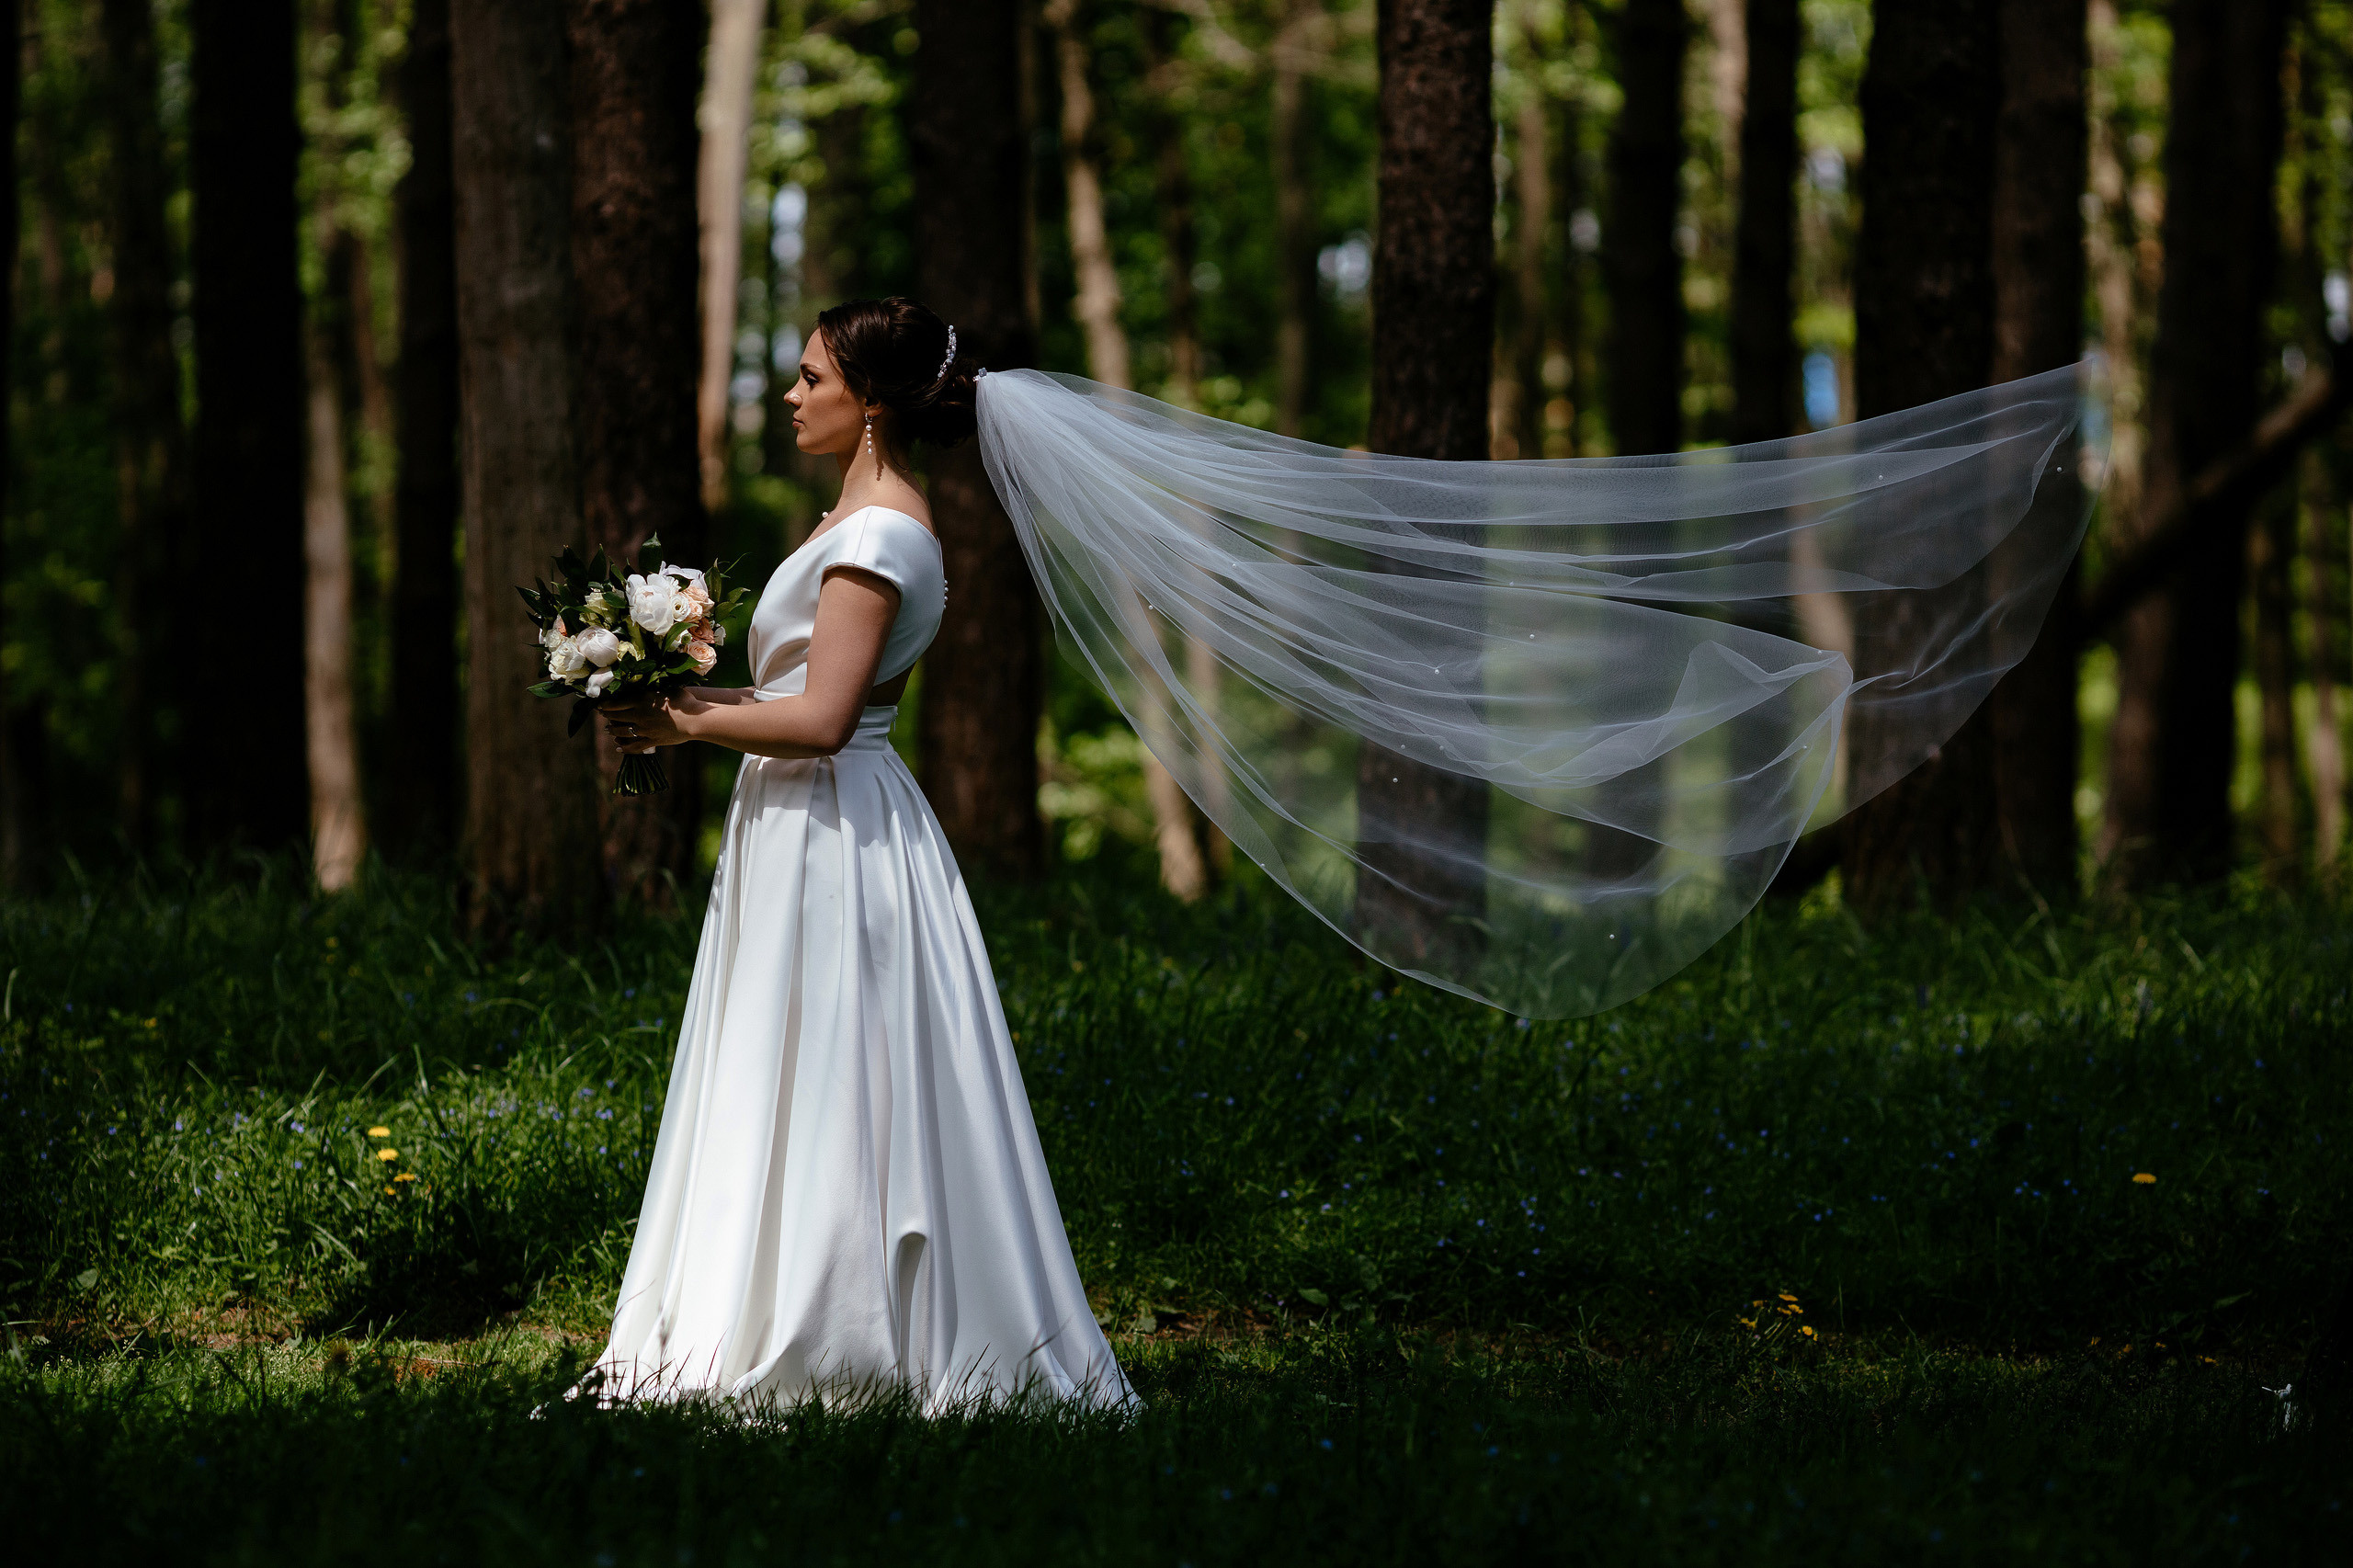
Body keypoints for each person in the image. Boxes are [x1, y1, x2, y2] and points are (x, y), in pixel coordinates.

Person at [586, 297, 1134, 1413]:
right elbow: (793, 695)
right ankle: (766, 1289)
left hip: (835, 822)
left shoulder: (883, 534)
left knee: (843, 1065)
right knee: (781, 1064)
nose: (789, 395)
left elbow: (827, 717)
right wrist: (668, 692)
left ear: (872, 401)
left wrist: (682, 726)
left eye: (810, 378)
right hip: (798, 819)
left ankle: (841, 1325)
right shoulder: (856, 520)